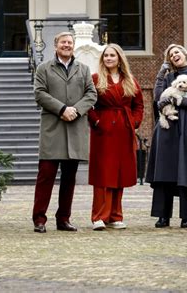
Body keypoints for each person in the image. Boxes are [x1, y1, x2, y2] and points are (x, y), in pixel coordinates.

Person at [32, 31, 97, 233]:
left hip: (75, 128)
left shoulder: (83, 69)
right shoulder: (44, 68)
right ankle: (39, 219)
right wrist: (62, 109)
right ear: (56, 45)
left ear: (73, 45)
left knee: (69, 179)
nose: (67, 45)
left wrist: (75, 110)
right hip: (53, 128)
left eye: (70, 42)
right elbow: (39, 93)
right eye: (63, 42)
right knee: (46, 177)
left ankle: (64, 219)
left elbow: (91, 94)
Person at [145, 44, 187, 228]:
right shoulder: (169, 76)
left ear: (185, 54)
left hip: (186, 128)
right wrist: (161, 73)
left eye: (177, 52)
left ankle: (185, 216)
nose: (174, 56)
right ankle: (163, 215)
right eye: (171, 55)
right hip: (166, 129)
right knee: (164, 172)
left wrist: (171, 99)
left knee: (185, 171)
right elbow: (157, 98)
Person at [87, 43, 144, 231]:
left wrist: (134, 122)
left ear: (119, 58)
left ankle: (115, 216)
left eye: (112, 55)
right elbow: (88, 104)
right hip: (104, 132)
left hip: (124, 131)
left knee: (119, 173)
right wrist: (97, 122)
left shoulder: (130, 80)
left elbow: (139, 105)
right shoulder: (96, 79)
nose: (109, 58)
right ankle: (99, 217)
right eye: (106, 56)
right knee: (104, 174)